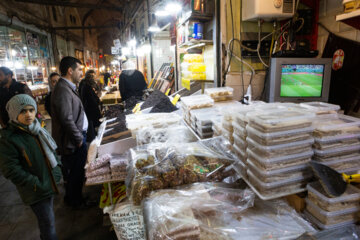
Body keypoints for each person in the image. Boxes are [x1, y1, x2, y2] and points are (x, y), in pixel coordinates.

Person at [0, 94, 62, 240]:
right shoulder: (9, 139)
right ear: (14, 114)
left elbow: (51, 151)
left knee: (49, 220)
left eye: (31, 110)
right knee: (48, 224)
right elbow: (10, 170)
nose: (28, 114)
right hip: (36, 190)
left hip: (49, 182)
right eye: (23, 111)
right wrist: (35, 183)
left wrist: (57, 168)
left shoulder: (38, 129)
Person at [51, 56, 88, 208]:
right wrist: (79, 139)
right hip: (72, 140)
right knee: (75, 173)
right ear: (70, 70)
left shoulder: (68, 87)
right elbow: (66, 119)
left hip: (75, 138)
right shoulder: (62, 89)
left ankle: (73, 198)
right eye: (79, 70)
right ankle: (75, 202)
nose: (81, 73)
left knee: (77, 172)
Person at [79, 70, 102, 142]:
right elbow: (91, 97)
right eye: (92, 76)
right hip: (90, 107)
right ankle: (92, 139)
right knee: (91, 123)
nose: (93, 77)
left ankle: (92, 137)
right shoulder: (86, 84)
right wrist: (97, 100)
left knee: (91, 123)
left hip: (87, 107)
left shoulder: (84, 83)